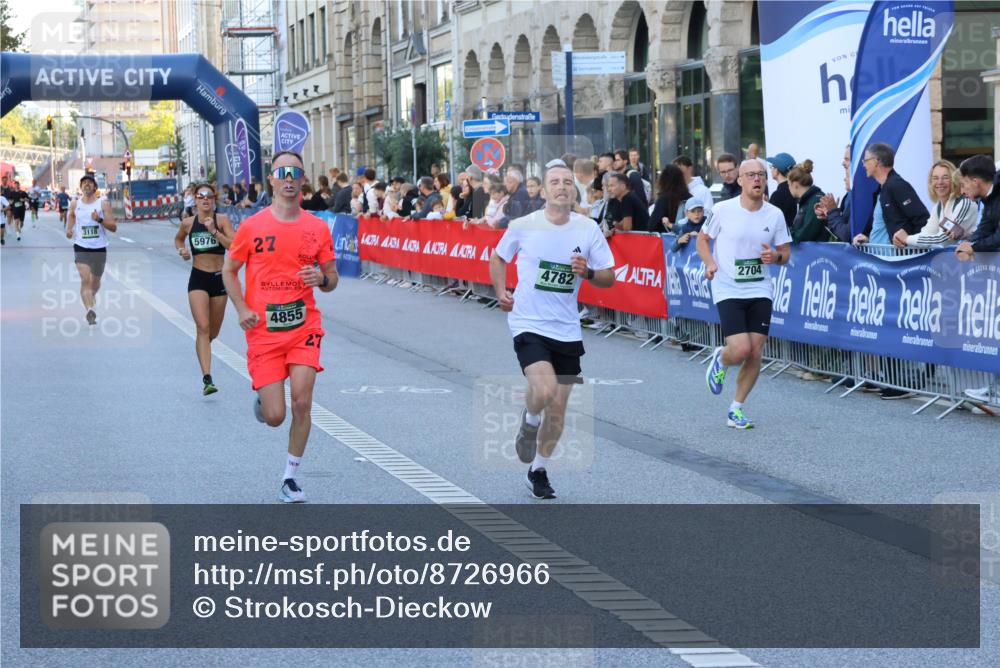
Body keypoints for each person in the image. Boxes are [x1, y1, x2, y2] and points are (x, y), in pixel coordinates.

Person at [489, 162, 615, 499]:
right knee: (543, 392)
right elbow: (499, 257)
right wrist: (501, 291)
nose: (562, 187)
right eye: (555, 182)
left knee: (558, 409)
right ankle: (529, 420)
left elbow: (609, 276)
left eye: (568, 182)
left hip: (567, 328)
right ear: (544, 191)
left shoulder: (587, 229)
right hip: (528, 322)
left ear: (575, 191)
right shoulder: (523, 225)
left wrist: (587, 273)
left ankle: (538, 469)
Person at [222, 150, 338, 504]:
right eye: (282, 172)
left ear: (303, 180)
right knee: (276, 416)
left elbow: (332, 278)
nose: (289, 178)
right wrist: (241, 308)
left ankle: (290, 477)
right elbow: (229, 271)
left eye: (296, 173)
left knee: (302, 402)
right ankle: (264, 399)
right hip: (263, 331)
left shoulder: (317, 227)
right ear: (271, 180)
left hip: (304, 325)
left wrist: (321, 277)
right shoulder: (252, 226)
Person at [696, 159, 792, 429]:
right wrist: (710, 264)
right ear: (739, 180)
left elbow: (785, 253)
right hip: (728, 286)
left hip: (760, 287)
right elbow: (702, 240)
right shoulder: (722, 209)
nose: (757, 179)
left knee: (755, 351)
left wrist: (775, 256)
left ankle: (736, 408)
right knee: (740, 349)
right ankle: (722, 357)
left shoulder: (774, 214)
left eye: (761, 175)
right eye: (750, 175)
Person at [174, 183, 235, 395]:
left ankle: (203, 347)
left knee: (212, 332)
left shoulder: (223, 220)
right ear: (196, 200)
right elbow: (178, 238)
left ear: (214, 199)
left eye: (209, 196)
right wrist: (182, 250)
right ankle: (207, 378)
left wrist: (214, 231)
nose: (205, 199)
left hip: (220, 279)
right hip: (198, 278)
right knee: (202, 326)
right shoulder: (188, 223)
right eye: (201, 196)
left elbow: (234, 246)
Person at [852, 143, 929, 247]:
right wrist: (867, 238)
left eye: (865, 160)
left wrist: (908, 240)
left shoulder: (897, 185)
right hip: (880, 258)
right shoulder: (881, 189)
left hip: (896, 259)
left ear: (876, 161)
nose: (863, 164)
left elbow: (923, 220)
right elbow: (885, 226)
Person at [65, 174, 117, 326]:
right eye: (84, 183)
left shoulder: (103, 203)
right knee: (85, 279)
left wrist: (99, 220)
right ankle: (90, 310)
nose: (86, 185)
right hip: (81, 246)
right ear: (80, 187)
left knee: (95, 282)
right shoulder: (75, 204)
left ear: (95, 187)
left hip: (99, 248)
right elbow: (72, 216)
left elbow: (113, 227)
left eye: (89, 183)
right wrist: (69, 229)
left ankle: (90, 296)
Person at [893, 160, 976, 248]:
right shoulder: (937, 207)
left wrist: (907, 239)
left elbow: (944, 240)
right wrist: (902, 240)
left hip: (968, 260)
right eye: (935, 178)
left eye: (945, 177)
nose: (940, 182)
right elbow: (926, 233)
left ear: (954, 180)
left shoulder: (965, 203)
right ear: (930, 182)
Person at [955, 154, 1000, 259]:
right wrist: (968, 243)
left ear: (975, 182)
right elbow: (985, 228)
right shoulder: (989, 197)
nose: (962, 192)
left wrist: (973, 247)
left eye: (963, 185)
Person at [786, 160, 829, 242]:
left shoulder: (816, 200)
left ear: (795, 184)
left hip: (816, 253)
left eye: (788, 185)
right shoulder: (807, 200)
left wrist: (785, 234)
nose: (788, 188)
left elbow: (804, 235)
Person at [650, 164, 692, 232]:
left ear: (663, 179)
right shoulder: (689, 197)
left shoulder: (663, 199)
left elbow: (652, 225)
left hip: (667, 238)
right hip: (688, 237)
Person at [767, 152, 798, 228]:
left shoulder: (778, 195)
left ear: (777, 170)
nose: (771, 169)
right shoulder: (795, 190)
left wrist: (764, 207)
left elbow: (769, 222)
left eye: (772, 166)